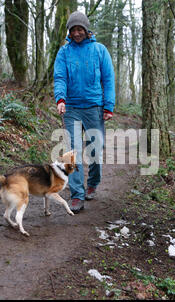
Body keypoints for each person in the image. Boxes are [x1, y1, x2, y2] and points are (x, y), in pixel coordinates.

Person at [54, 11, 115, 214]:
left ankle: (93, 182)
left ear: (87, 30)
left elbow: (108, 79)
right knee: (73, 153)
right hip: (71, 108)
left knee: (95, 150)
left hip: (94, 107)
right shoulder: (64, 52)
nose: (77, 33)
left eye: (80, 29)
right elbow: (60, 77)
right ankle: (77, 195)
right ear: (69, 32)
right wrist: (60, 99)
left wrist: (109, 106)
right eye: (73, 30)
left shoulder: (99, 50)